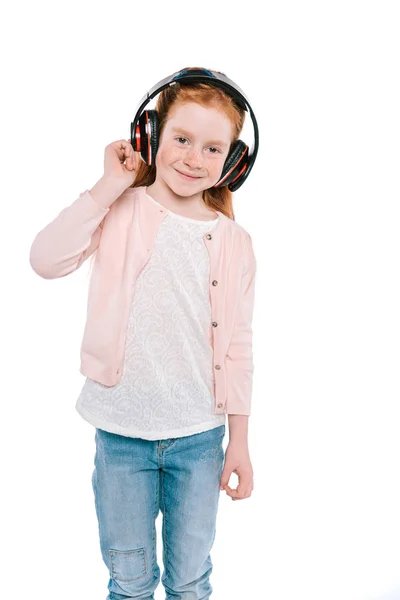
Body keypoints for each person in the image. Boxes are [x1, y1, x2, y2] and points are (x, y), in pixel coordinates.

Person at [29, 66, 258, 600]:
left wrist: (240, 442)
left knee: (189, 579)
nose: (193, 158)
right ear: (149, 137)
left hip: (201, 439)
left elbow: (240, 347)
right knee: (129, 581)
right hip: (121, 437)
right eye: (181, 139)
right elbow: (45, 260)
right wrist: (109, 185)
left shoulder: (235, 242)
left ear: (233, 163)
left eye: (211, 149)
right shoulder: (119, 210)